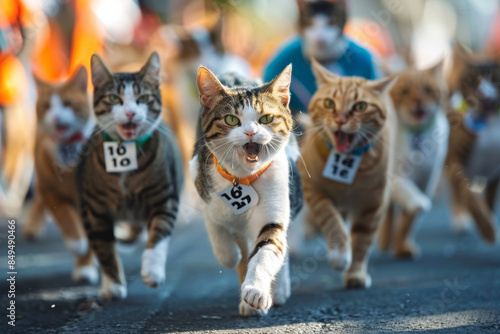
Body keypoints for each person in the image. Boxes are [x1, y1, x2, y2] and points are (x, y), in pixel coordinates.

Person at [263, 0, 380, 115]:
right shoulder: (282, 62)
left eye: (330, 24)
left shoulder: (363, 60)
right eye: (311, 25)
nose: (320, 37)